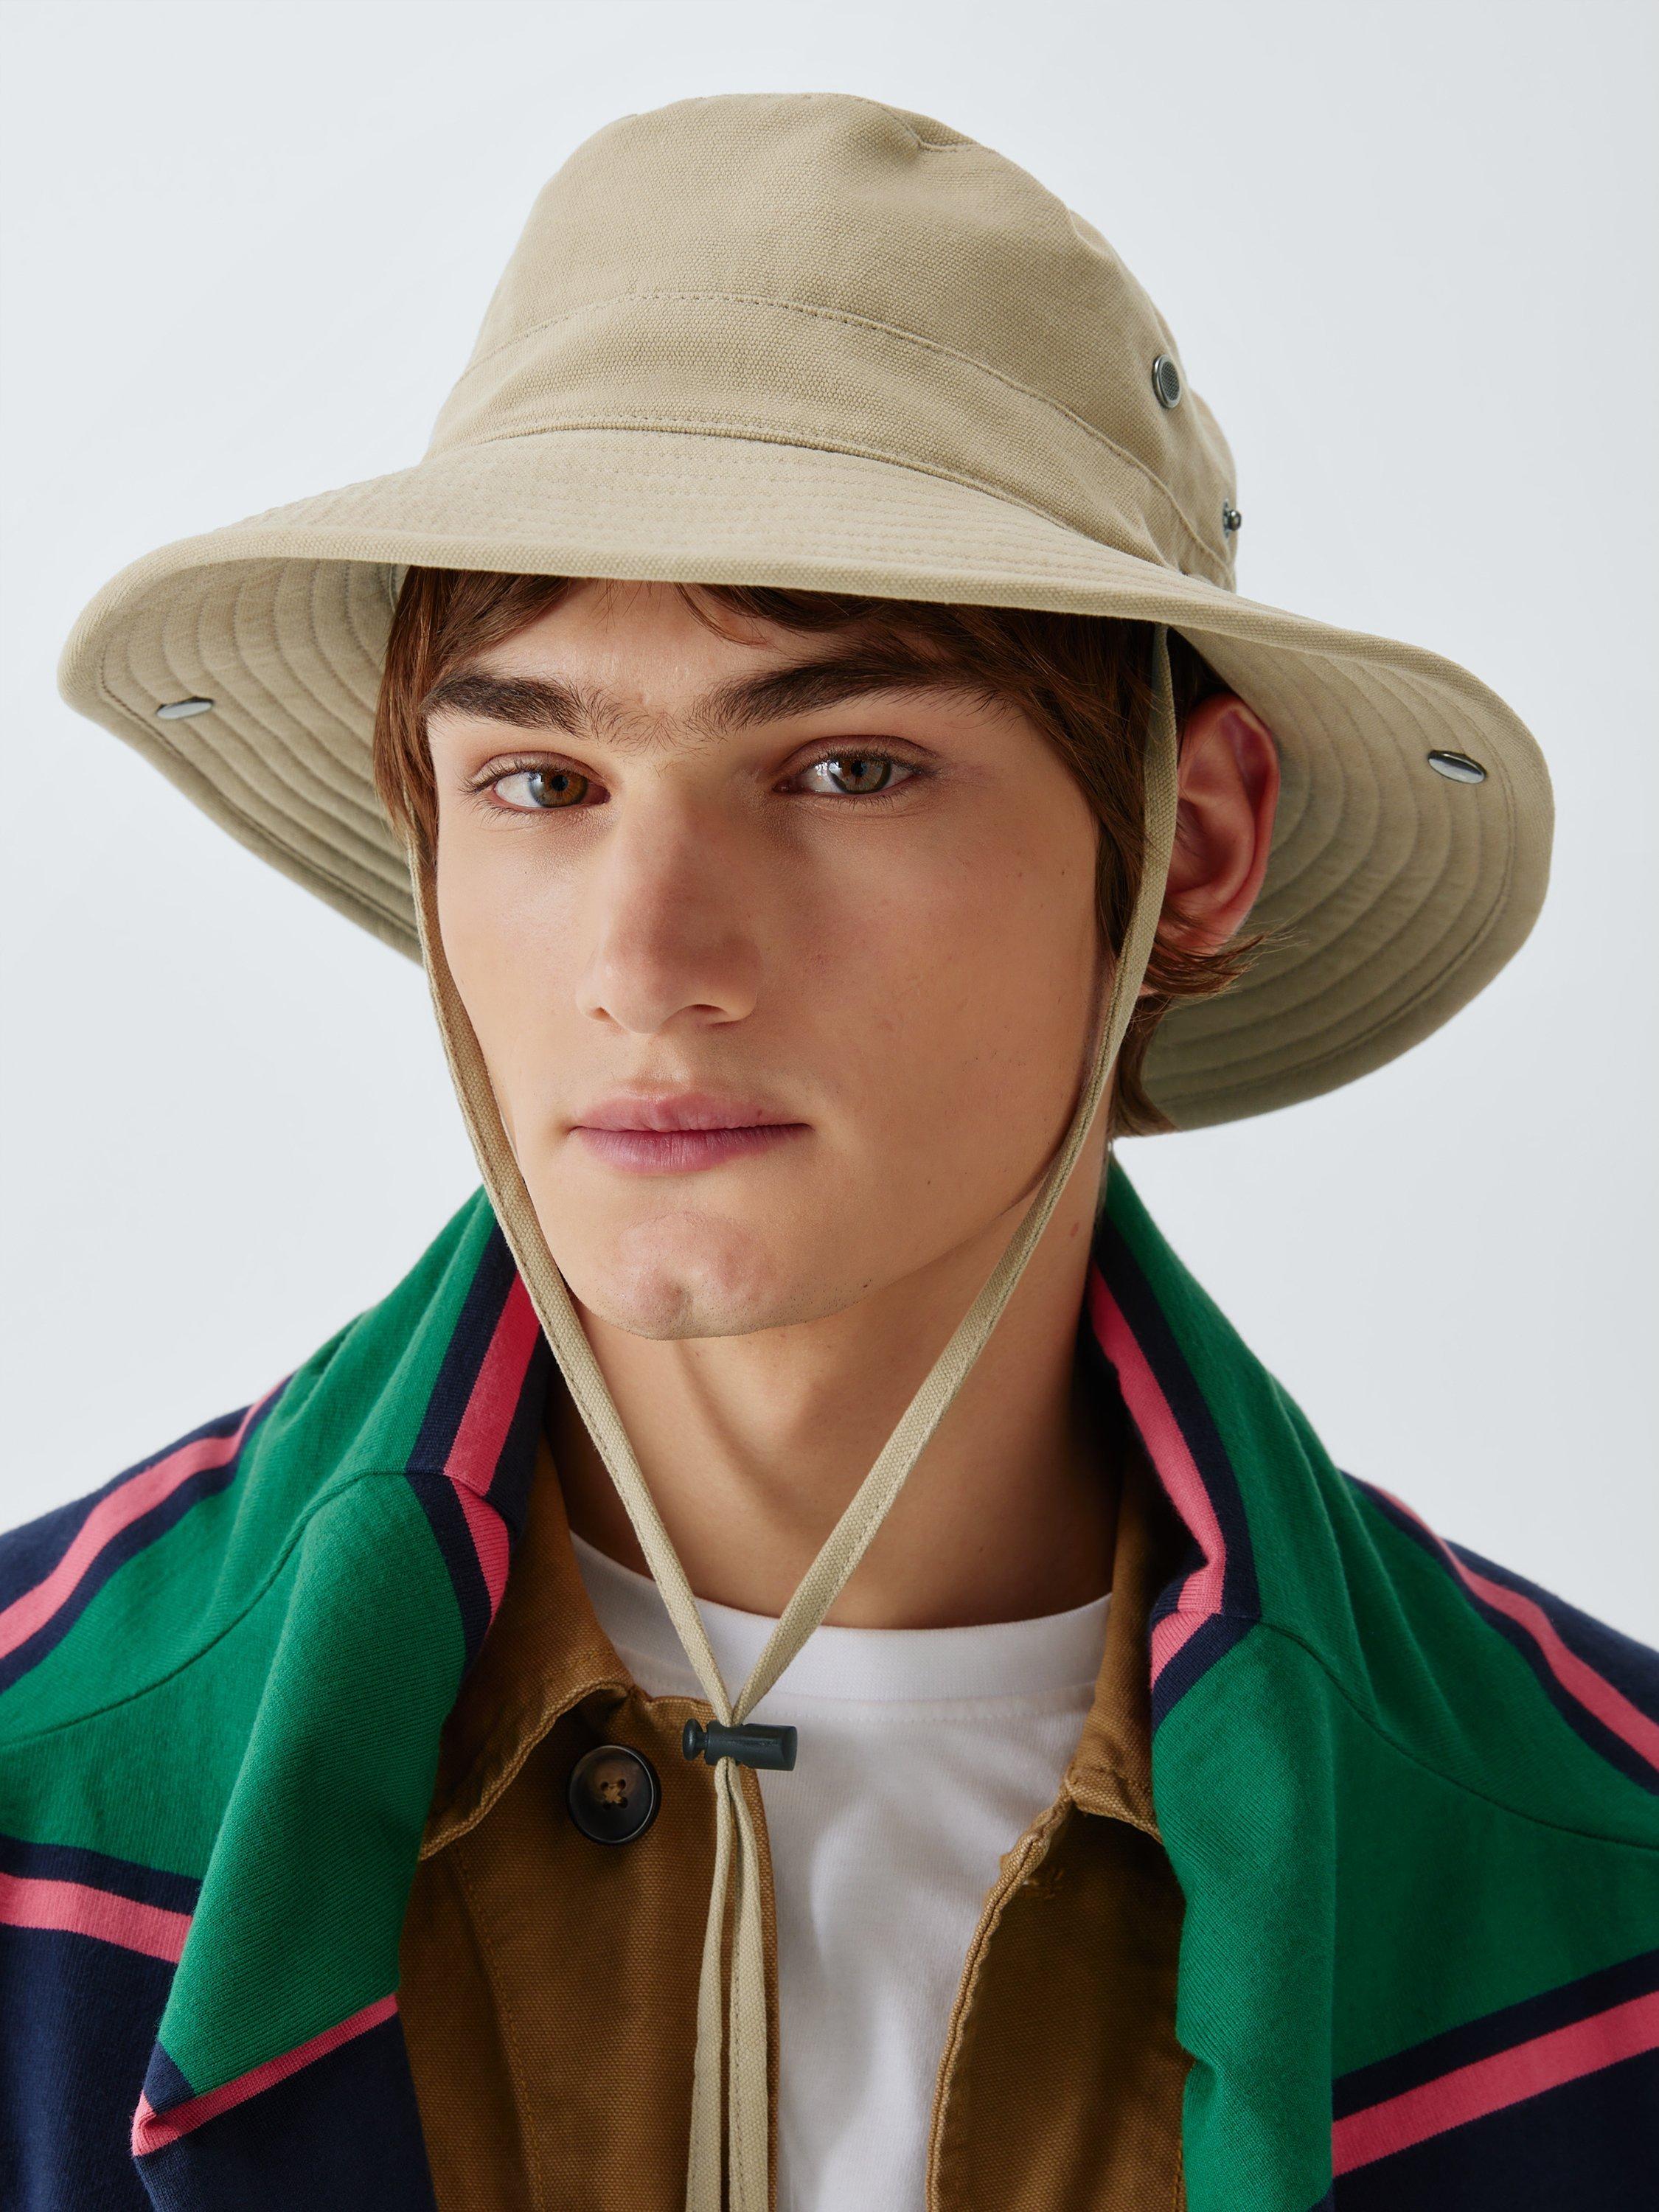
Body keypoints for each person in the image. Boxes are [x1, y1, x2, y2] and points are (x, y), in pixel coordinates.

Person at [3, 89, 1655, 2212]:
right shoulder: (52, 1792)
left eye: (847, 767)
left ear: (1191, 844)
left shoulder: (1591, 1897)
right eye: (538, 783)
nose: (648, 964)